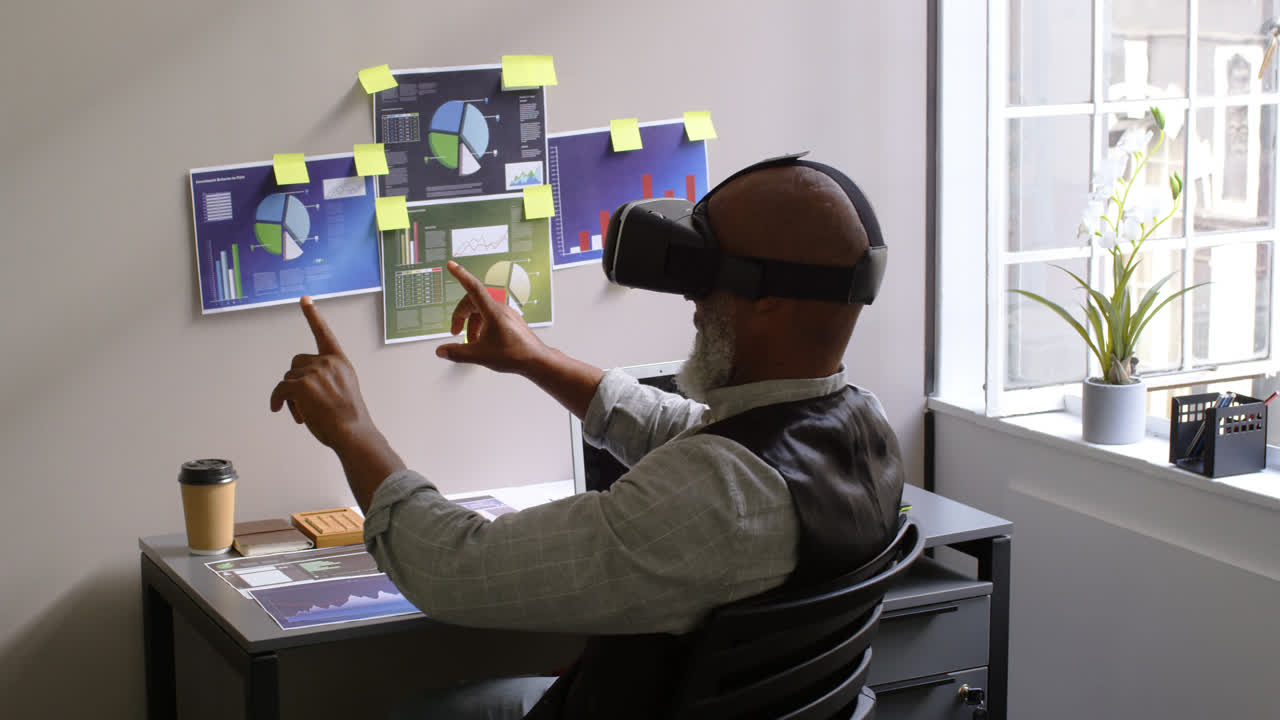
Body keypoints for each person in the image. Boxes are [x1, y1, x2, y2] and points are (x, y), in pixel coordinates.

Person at [270, 159, 905, 719]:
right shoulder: (862, 428)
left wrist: (350, 428)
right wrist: (537, 359)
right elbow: (681, 432)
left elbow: (450, 567)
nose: (693, 298)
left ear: (769, 300)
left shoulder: (720, 497)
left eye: (708, 273)